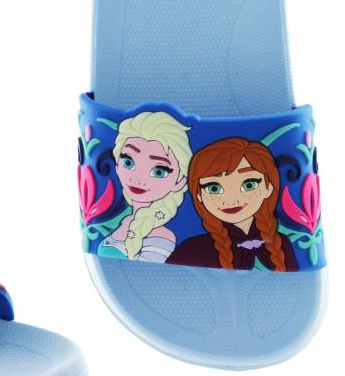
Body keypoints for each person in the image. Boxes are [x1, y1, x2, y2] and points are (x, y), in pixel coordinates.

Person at [168, 138, 298, 271]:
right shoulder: (192, 249)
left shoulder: (281, 244)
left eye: (248, 185)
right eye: (214, 188)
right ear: (199, 195)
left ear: (268, 188)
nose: (231, 200)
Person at [99, 111, 192, 262]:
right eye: (128, 162)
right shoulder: (125, 221)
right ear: (117, 165)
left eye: (159, 171)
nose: (138, 179)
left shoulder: (162, 237)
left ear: (180, 182)